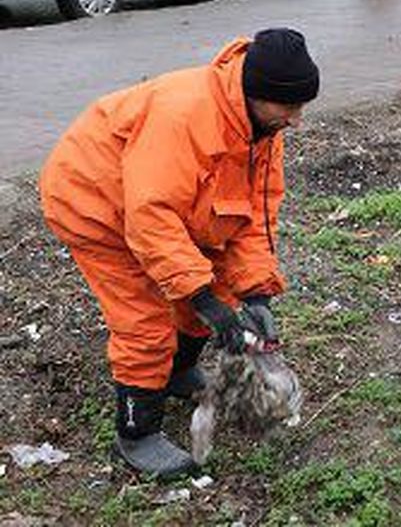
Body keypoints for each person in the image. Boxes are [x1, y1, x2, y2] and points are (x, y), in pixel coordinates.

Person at [39, 29, 320, 478]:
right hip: (96, 202)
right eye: (289, 107)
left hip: (166, 209)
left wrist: (256, 295)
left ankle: (174, 373)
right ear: (255, 93)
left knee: (213, 290)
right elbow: (150, 217)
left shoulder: (263, 130)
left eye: (301, 107)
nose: (297, 119)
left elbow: (255, 217)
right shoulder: (183, 116)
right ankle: (137, 433)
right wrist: (201, 295)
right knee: (145, 318)